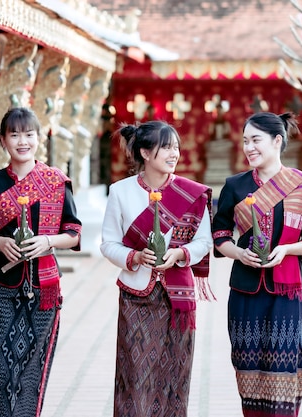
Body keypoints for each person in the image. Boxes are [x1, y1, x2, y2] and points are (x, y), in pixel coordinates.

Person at [211, 112, 302, 417]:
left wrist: (287, 249)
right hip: (246, 292)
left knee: (285, 365)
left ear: (277, 141)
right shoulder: (234, 186)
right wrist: (237, 253)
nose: (249, 147)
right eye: (246, 141)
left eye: (256, 140)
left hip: (288, 292)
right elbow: (220, 234)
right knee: (247, 367)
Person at [0, 107, 82, 417]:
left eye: (29, 134)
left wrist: (47, 242)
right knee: (0, 368)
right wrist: (0, 242)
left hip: (43, 287)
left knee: (32, 369)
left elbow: (73, 233)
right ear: (3, 141)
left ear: (39, 138)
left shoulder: (57, 181)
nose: (23, 141)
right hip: (0, 286)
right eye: (15, 134)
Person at [100, 120, 214, 417]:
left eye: (176, 146)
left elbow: (204, 241)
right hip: (136, 295)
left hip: (179, 298)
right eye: (166, 147)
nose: (174, 153)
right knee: (134, 376)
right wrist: (135, 257)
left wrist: (179, 253)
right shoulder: (120, 191)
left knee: (175, 376)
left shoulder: (193, 193)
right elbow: (108, 244)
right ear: (145, 153)